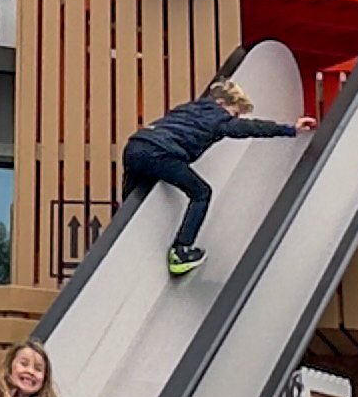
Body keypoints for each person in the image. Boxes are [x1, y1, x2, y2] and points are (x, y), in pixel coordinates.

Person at [121, 75, 300, 279]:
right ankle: (181, 250)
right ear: (222, 103)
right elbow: (251, 128)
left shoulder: (188, 108)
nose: (234, 119)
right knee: (201, 193)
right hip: (162, 153)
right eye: (234, 113)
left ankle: (118, 240)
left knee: (131, 202)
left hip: (135, 145)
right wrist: (289, 129)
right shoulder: (219, 118)